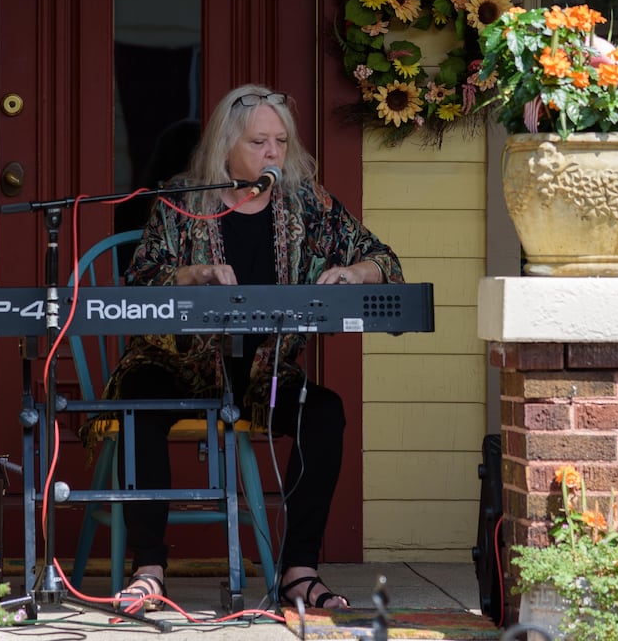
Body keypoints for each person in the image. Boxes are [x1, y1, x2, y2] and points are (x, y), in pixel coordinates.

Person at [86, 84, 404, 613]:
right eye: (259, 141)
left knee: (324, 412)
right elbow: (139, 282)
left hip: (262, 373)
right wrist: (192, 274)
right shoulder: (182, 202)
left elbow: (384, 259)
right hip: (177, 364)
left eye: (281, 140)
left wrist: (354, 270)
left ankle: (299, 571)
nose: (273, 152)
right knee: (141, 399)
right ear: (227, 144)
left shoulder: (308, 203)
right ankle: (148, 569)